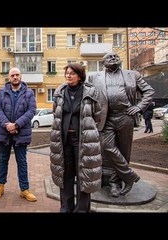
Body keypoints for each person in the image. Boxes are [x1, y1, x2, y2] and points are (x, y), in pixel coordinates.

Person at [87, 52, 155, 197]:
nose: (113, 58)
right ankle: (129, 176)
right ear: (103, 62)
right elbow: (87, 96)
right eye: (109, 57)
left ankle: (115, 183)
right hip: (106, 117)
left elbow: (149, 91)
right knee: (107, 147)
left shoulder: (132, 75)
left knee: (124, 151)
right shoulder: (94, 77)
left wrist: (139, 107)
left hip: (125, 116)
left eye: (115, 56)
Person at [49, 63, 102, 213]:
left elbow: (97, 116)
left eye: (72, 73)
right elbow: (57, 115)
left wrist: (89, 132)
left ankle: (81, 210)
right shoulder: (60, 92)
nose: (68, 75)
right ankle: (66, 208)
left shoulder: (90, 92)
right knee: (65, 174)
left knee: (84, 176)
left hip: (83, 141)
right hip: (64, 140)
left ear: (80, 76)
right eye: (67, 73)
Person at [0, 67, 37, 202]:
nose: (15, 77)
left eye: (17, 75)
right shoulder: (1, 92)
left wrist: (16, 124)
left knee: (22, 162)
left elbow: (31, 111)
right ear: (9, 78)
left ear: (21, 76)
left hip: (21, 133)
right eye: (12, 75)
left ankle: (24, 189)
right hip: (4, 132)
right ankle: (0, 186)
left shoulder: (29, 93)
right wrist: (7, 125)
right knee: (2, 161)